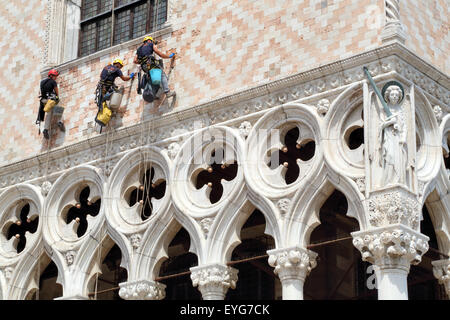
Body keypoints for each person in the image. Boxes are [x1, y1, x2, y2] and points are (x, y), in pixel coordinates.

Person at [379, 84, 408, 186]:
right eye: (392, 95)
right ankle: (387, 181)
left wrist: (403, 137)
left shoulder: (400, 110)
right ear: (388, 96)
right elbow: (381, 125)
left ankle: (397, 180)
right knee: (390, 156)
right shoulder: (384, 109)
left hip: (398, 138)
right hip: (388, 137)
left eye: (396, 95)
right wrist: (390, 122)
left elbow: (404, 126)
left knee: (399, 159)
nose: (395, 97)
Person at [38, 69, 64, 139]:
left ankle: (45, 129)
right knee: (59, 106)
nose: (56, 78)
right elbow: (56, 92)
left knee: (49, 114)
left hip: (43, 101)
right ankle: (60, 122)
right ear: (52, 76)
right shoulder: (53, 82)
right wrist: (56, 97)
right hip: (50, 100)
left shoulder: (42, 82)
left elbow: (40, 92)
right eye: (55, 76)